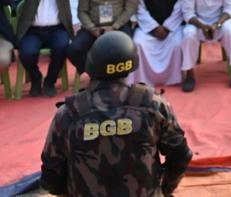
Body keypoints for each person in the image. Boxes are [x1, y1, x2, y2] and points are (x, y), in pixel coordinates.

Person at [40, 30, 191, 197]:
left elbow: (51, 177)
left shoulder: (69, 113)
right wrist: (164, 189)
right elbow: (181, 156)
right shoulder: (153, 104)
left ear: (91, 64)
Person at [15, 0, 87, 96]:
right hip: (33, 30)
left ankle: (50, 81)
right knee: (26, 53)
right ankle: (36, 78)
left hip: (57, 29)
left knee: (62, 48)